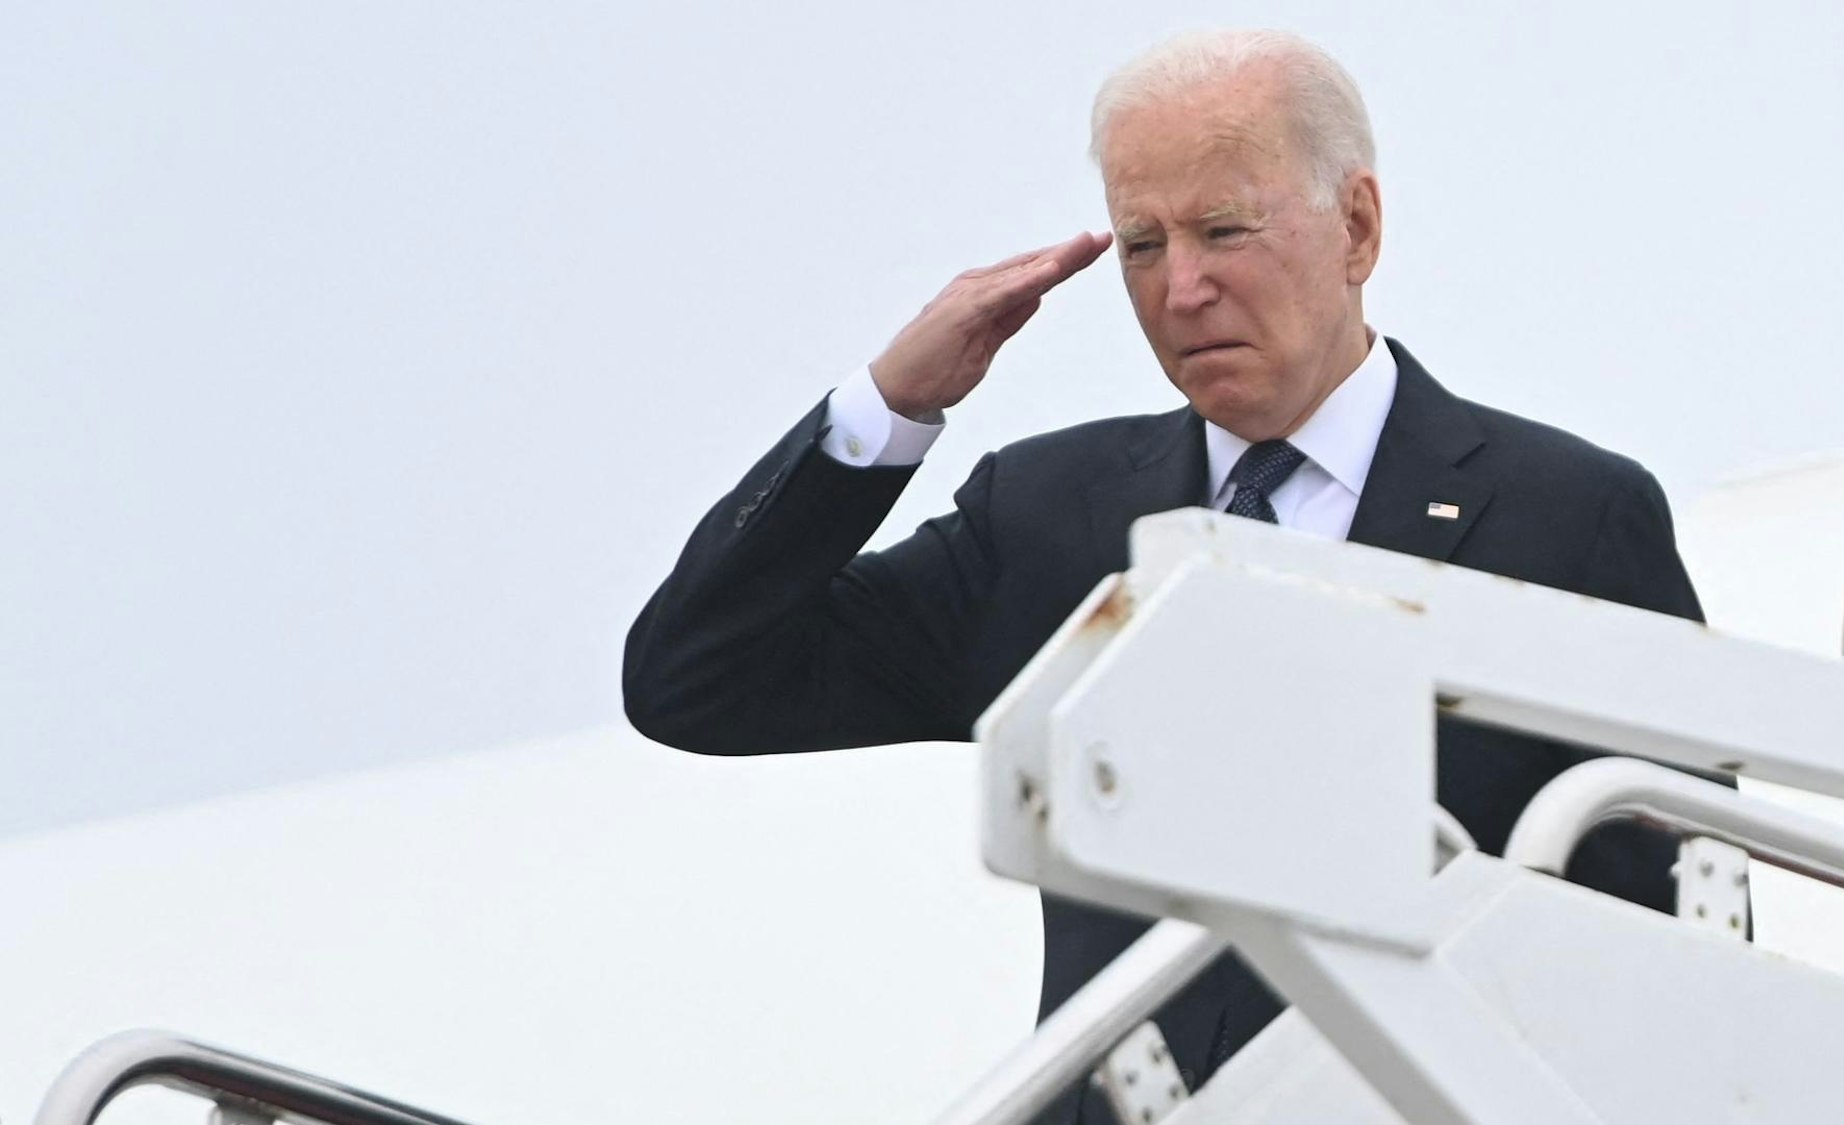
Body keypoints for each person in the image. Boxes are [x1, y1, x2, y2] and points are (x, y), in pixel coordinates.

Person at [624, 28, 1704, 1122]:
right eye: (1141, 245)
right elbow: (700, 682)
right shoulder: (1049, 518)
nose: (1181, 288)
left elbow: (1678, 944)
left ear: (1356, 228)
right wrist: (888, 410)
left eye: (1223, 230)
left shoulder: (1567, 517)